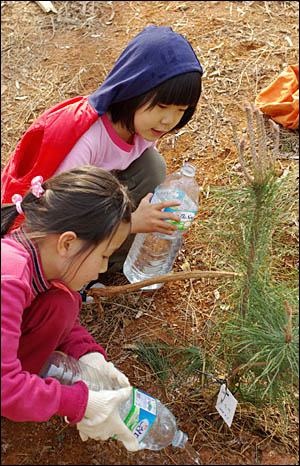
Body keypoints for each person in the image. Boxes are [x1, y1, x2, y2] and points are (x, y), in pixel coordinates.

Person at [1, 25, 203, 274]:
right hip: (58, 226)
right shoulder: (87, 139)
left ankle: (108, 259)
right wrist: (132, 224)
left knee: (152, 166)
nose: (169, 120)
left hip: (95, 201)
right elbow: (59, 218)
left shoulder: (141, 127)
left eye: (181, 111)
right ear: (133, 89)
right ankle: (81, 271)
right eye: (162, 106)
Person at [1, 166, 139, 451]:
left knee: (62, 302)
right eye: (103, 255)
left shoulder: (39, 261)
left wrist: (88, 356)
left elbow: (63, 320)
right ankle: (24, 396)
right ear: (67, 243)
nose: (102, 268)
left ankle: (28, 390)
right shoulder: (8, 279)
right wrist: (80, 403)